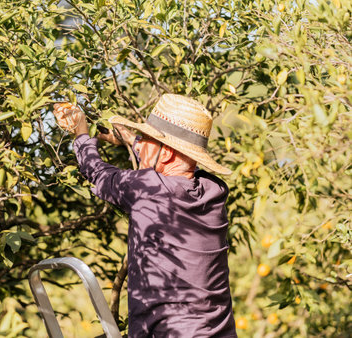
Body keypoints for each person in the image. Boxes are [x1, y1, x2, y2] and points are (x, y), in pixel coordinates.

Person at [53, 94, 237, 338]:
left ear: (167, 154)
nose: (140, 146)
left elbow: (96, 171)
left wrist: (81, 133)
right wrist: (132, 140)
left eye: (148, 140)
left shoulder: (148, 189)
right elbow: (173, 166)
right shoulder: (214, 190)